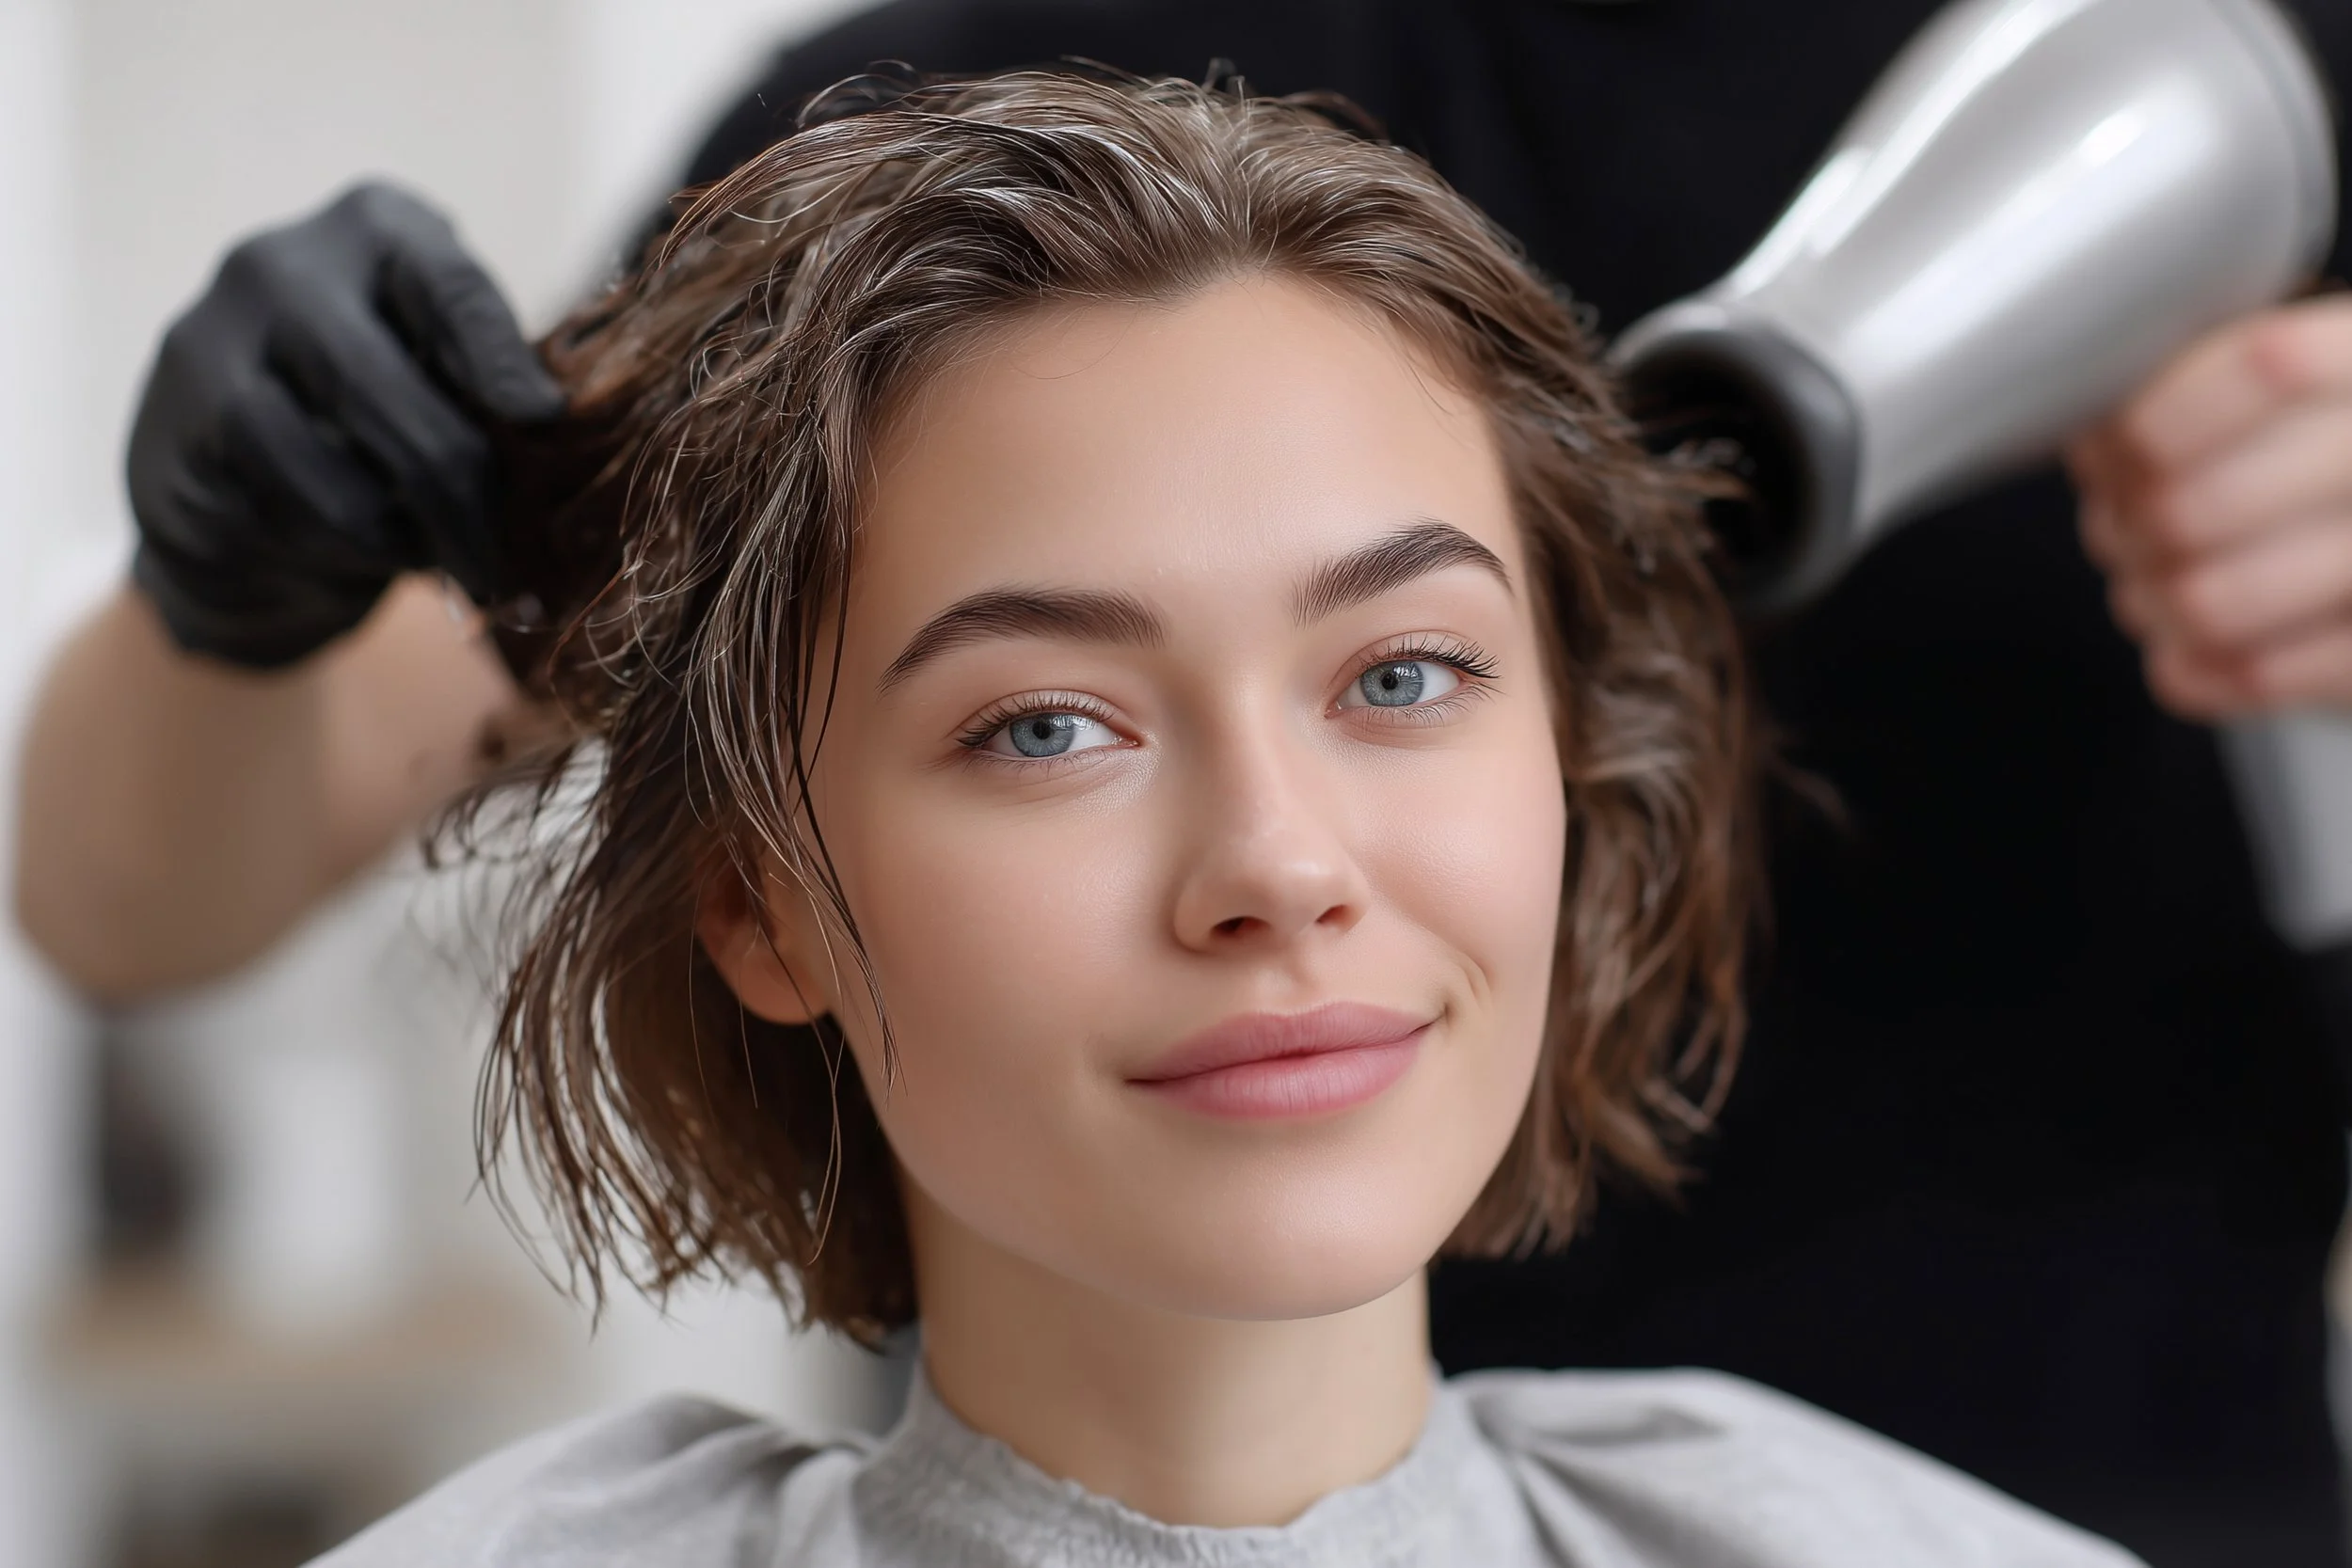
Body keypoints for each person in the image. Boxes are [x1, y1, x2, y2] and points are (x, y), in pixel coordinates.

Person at [12, 3, 2351, 1563]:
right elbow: (138, 880)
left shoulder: (2223, 69)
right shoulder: (922, 138)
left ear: (1585, 753)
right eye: (1047, 723)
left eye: (1408, 672)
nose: (1277, 863)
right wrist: (236, 595)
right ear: (764, 896)